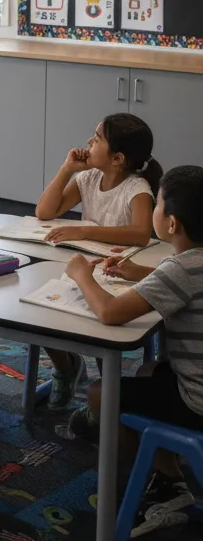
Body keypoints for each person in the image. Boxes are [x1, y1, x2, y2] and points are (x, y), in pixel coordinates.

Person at [63, 165, 203, 536]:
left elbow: (110, 313)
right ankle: (170, 472)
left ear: (171, 224)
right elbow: (183, 283)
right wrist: (142, 274)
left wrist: (81, 275)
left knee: (99, 395)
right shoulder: (189, 266)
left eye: (158, 204)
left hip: (198, 400)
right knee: (146, 372)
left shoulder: (181, 269)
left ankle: (158, 481)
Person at [35, 113, 160, 409]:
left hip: (117, 274)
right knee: (40, 312)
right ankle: (66, 367)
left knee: (102, 332)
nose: (89, 142)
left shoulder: (136, 188)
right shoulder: (88, 178)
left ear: (117, 158)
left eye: (97, 138)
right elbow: (45, 211)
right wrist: (67, 169)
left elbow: (141, 233)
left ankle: (106, 401)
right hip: (83, 268)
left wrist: (85, 229)